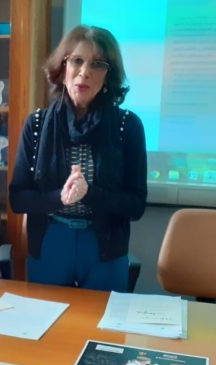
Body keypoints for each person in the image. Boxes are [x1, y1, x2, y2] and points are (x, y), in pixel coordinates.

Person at [9, 25, 147, 291]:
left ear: (108, 75)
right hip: (51, 238)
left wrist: (88, 193)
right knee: (46, 315)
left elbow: (136, 205)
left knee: (102, 317)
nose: (84, 72)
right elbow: (18, 198)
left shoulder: (127, 126)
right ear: (62, 68)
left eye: (97, 64)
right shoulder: (37, 124)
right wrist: (59, 198)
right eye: (77, 61)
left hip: (104, 243)